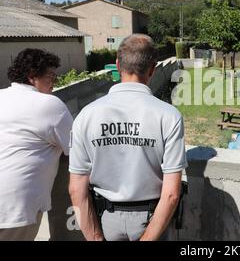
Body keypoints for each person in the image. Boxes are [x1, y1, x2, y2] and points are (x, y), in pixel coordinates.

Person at [69, 34, 187, 241]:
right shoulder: (168, 115)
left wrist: (95, 238)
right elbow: (171, 194)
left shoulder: (86, 115)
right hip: (153, 220)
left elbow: (76, 188)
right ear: (153, 68)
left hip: (106, 219)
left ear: (117, 65)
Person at [0, 49, 73, 241]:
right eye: (51, 76)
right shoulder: (49, 105)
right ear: (32, 76)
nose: (54, 82)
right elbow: (76, 149)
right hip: (15, 207)